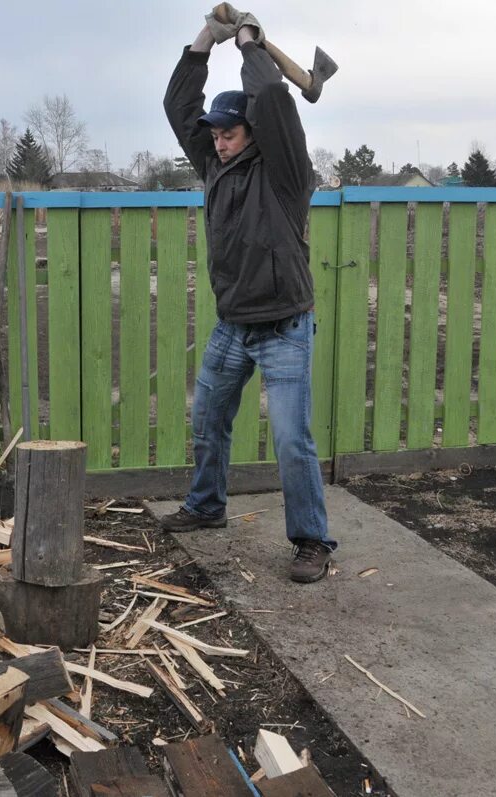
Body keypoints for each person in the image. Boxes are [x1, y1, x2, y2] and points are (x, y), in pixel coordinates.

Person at [159, 7, 337, 583]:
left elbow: (275, 102)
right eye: (214, 132)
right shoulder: (216, 164)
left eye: (228, 131)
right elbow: (177, 109)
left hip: (284, 327)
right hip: (233, 323)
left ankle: (311, 541)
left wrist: (250, 43)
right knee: (208, 419)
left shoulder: (285, 171)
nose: (218, 139)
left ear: (255, 132)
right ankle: (207, 506)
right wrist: (203, 42)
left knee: (291, 441)